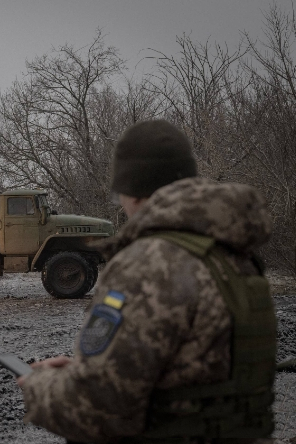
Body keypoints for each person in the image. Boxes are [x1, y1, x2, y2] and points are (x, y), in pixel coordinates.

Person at [17, 120, 277, 442]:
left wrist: (40, 385)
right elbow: (202, 374)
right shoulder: (234, 254)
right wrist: (94, 367)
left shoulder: (148, 265)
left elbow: (98, 410)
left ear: (132, 189)